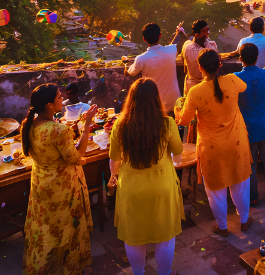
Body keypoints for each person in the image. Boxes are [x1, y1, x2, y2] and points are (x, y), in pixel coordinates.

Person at [108, 79, 183, 275]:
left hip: (131, 188)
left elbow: (114, 160)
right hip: (162, 186)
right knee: (164, 235)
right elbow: (178, 153)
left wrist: (113, 176)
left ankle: (139, 273)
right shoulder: (167, 123)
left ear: (130, 99)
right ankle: (164, 273)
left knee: (133, 236)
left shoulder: (120, 125)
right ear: (156, 99)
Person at [21, 84, 97, 275]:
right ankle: (67, 270)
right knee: (66, 231)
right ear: (48, 104)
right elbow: (75, 156)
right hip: (62, 187)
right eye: (58, 97)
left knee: (45, 230)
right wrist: (86, 125)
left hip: (41, 184)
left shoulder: (28, 124)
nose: (61, 99)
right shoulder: (57, 130)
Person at [175, 49, 252, 237]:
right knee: (240, 184)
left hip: (212, 147)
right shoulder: (233, 80)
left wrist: (178, 107)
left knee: (216, 189)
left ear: (199, 67)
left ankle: (223, 227)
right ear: (219, 64)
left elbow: (183, 121)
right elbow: (244, 87)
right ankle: (244, 220)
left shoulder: (195, 92)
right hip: (236, 142)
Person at [235, 43, 265, 205]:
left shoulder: (235, 77)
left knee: (251, 164)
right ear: (257, 57)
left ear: (240, 59)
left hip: (247, 129)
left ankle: (253, 197)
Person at [126, 23, 181, 115]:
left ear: (144, 39)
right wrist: (179, 32)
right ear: (160, 35)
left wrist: (125, 65)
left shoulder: (141, 59)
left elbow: (130, 72)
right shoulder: (171, 50)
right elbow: (181, 41)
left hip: (154, 105)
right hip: (174, 103)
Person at [181, 20, 217, 94]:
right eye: (206, 30)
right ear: (199, 32)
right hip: (207, 87)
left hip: (190, 87)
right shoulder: (211, 47)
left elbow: (185, 70)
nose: (208, 33)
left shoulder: (186, 46)